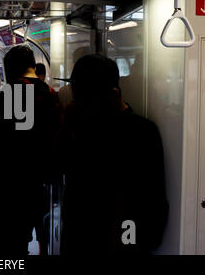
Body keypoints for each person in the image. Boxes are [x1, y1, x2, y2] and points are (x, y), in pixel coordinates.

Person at [57, 54, 169, 254]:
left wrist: (136, 243)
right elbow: (53, 170)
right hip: (78, 240)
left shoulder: (141, 133)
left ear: (112, 94)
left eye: (84, 98)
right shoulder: (78, 127)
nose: (78, 104)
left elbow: (153, 200)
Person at [0, 45, 61, 255]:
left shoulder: (9, 92)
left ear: (10, 68)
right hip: (45, 177)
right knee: (44, 233)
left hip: (14, 179)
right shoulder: (51, 93)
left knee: (13, 242)